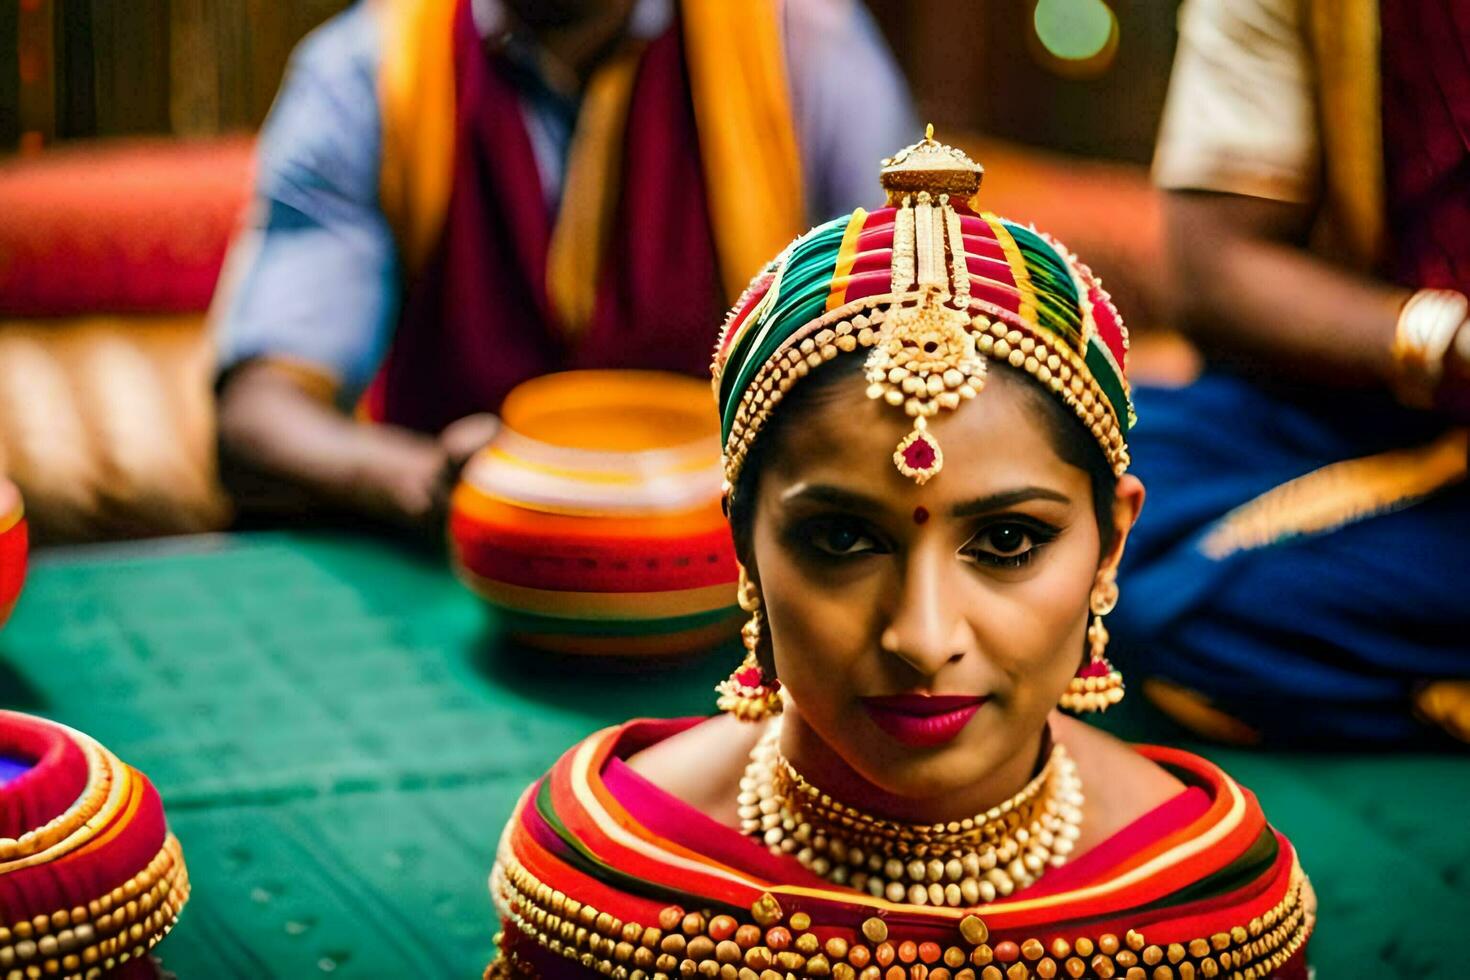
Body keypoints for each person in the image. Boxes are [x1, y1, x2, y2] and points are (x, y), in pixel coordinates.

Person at [485, 134, 1314, 980]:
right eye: (844, 540)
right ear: (743, 542)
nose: (922, 638)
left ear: (1112, 543)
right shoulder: (610, 882)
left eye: (1006, 543)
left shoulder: (1204, 904)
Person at [212, 0, 915, 531]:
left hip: (731, 575)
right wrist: (428, 481)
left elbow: (911, 349)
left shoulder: (802, 45)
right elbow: (259, 412)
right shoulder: (368, 68)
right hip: (455, 579)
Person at [1110, 0, 1470, 747]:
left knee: (1173, 606)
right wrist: (1449, 343)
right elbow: (1211, 264)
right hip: (1372, 404)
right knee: (1066, 484)